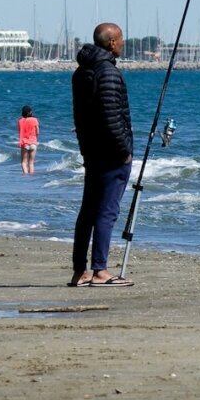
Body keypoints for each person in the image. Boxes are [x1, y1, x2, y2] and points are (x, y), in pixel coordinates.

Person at [69, 22, 134, 287]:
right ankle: (100, 271)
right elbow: (111, 117)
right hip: (110, 154)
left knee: (88, 211)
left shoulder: (81, 72)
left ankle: (80, 271)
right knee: (106, 211)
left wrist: (86, 147)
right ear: (110, 43)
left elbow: (81, 117)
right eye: (120, 39)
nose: (122, 43)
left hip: (92, 151)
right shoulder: (107, 72)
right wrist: (124, 150)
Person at [17, 105, 40, 174]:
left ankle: (26, 177)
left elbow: (20, 131)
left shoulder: (20, 121)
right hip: (33, 143)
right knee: (31, 163)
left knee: (24, 162)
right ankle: (31, 178)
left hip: (24, 143)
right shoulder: (35, 120)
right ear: (30, 112)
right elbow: (38, 132)